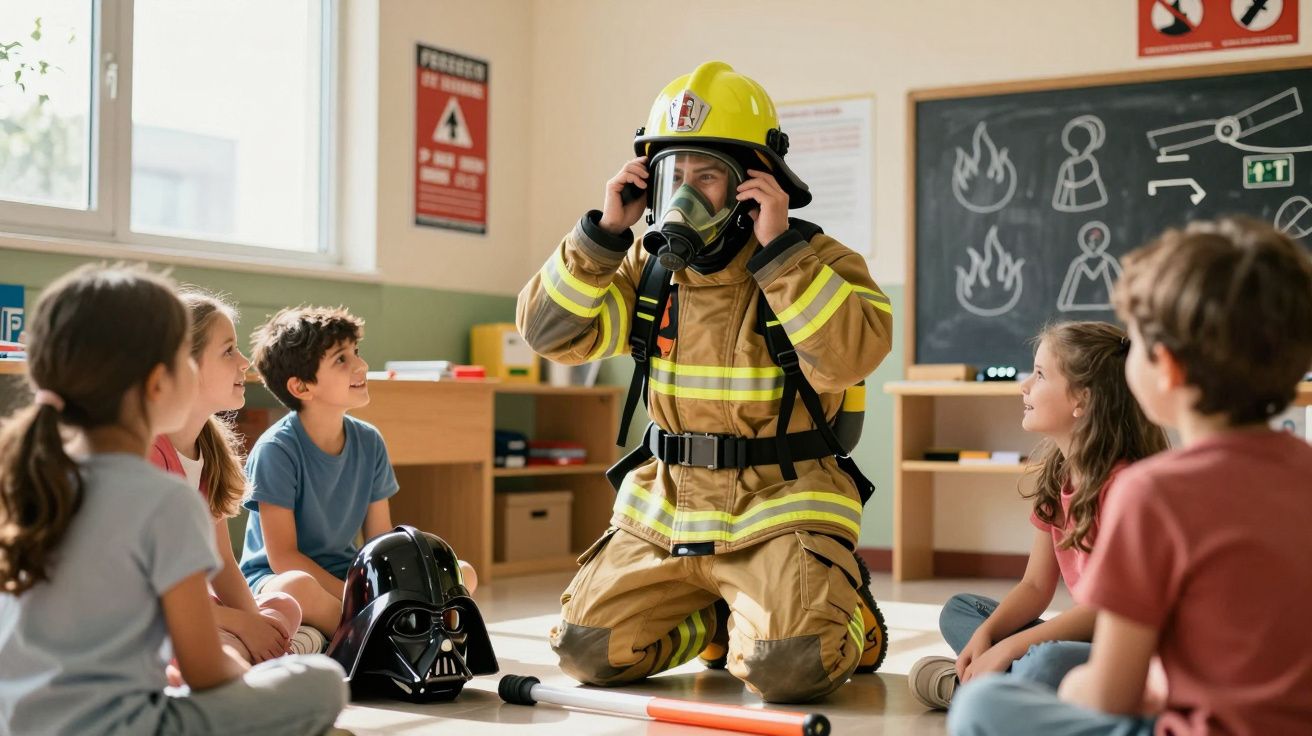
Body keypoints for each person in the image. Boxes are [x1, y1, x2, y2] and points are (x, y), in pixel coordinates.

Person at [517, 61, 894, 703]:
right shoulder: (648, 268)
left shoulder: (817, 259)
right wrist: (604, 235)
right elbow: (551, 334)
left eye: (707, 176)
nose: (686, 196)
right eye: (673, 176)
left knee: (790, 668)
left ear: (752, 183)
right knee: (585, 650)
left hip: (778, 506)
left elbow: (849, 357)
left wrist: (780, 255)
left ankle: (848, 616)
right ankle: (714, 617)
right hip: (665, 508)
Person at [949, 217, 1312, 736]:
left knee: (984, 707)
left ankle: (998, 679)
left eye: (1135, 343)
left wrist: (1069, 684)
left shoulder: (1152, 491)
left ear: (1166, 367)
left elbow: (1112, 694)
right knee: (1007, 648)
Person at [0, 265, 345, 736]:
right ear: (157, 381)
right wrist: (251, 683)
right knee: (322, 682)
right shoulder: (162, 498)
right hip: (129, 724)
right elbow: (205, 671)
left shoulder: (30, 476)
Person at [909, 321, 1167, 709]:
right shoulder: (1057, 477)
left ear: (1083, 399)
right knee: (961, 612)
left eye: (1041, 374)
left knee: (1044, 661)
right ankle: (1003, 689)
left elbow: (1106, 610)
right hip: (1081, 640)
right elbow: (1034, 587)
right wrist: (989, 636)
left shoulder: (1125, 488)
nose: (1024, 385)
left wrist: (1010, 647)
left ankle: (978, 690)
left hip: (1127, 648)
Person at [149, 288, 321, 666]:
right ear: (184, 365)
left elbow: (222, 562)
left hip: (194, 608)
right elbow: (147, 593)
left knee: (283, 607)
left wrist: (254, 624)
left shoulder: (207, 454)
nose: (244, 362)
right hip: (148, 613)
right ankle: (230, 660)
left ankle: (239, 656)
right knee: (250, 636)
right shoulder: (150, 455)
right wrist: (242, 627)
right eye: (228, 351)